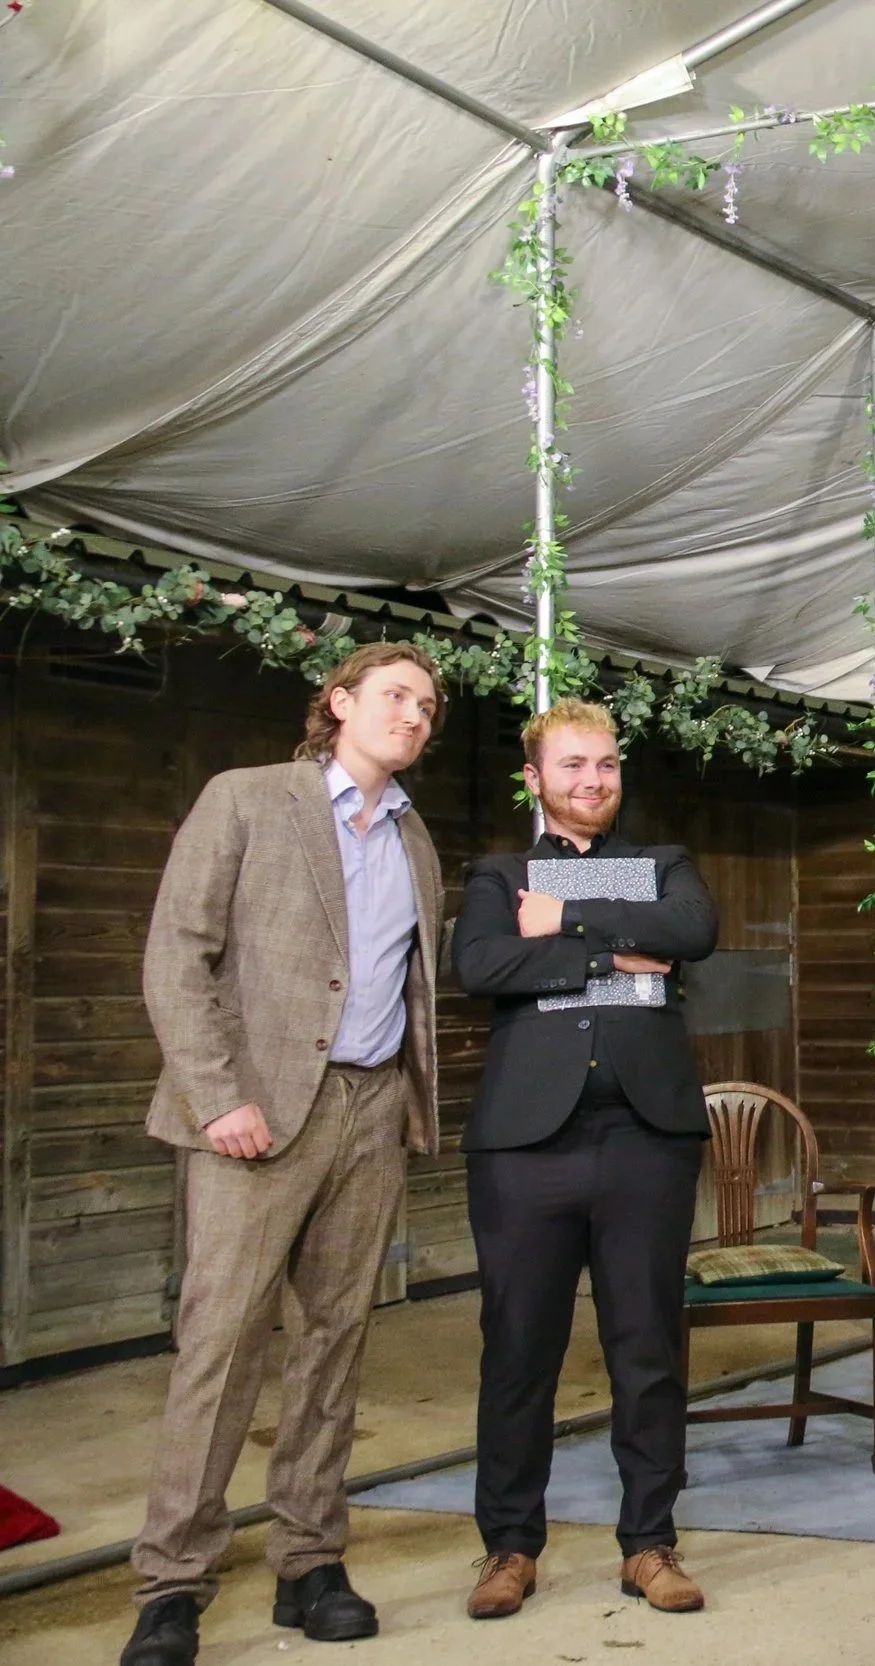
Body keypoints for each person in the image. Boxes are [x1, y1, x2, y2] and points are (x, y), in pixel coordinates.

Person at [122, 643, 446, 1666]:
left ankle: (310, 1555)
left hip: (367, 1107)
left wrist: (399, 1103)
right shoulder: (249, 798)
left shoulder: (415, 839)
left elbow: (403, 986)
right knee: (221, 1345)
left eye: (429, 706)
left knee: (335, 1338)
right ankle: (172, 1581)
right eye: (397, 695)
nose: (415, 715)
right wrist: (218, 1096)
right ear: (340, 701)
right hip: (256, 1114)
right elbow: (178, 950)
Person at [453, 698, 719, 1621]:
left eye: (605, 765)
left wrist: (563, 920)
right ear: (535, 779)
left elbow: (692, 934)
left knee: (647, 1350)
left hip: (647, 1140)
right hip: (526, 1147)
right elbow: (482, 966)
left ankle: (648, 1543)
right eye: (571, 767)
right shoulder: (497, 872)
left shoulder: (664, 866)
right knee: (518, 1352)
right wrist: (622, 954)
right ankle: (508, 1547)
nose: (592, 781)